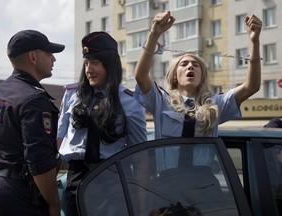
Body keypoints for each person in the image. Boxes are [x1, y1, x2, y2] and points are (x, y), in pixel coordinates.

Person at [134, 11, 262, 170]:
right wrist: (154, 34)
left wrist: (254, 42)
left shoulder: (216, 104)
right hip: (168, 184)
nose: (190, 66)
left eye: (195, 65)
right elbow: (140, 76)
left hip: (204, 184)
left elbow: (252, 86)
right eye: (184, 64)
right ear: (175, 76)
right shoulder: (161, 100)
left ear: (202, 77)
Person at [57, 31, 147, 216]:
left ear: (111, 65)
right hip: (76, 180)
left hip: (113, 181)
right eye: (86, 63)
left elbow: (140, 158)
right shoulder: (72, 95)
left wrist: (141, 203)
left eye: (95, 63)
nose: (89, 69)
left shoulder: (131, 102)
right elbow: (58, 142)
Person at [0, 30, 65, 216]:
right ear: (33, 57)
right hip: (21, 197)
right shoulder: (34, 100)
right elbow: (39, 161)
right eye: (49, 53)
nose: (54, 59)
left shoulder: (0, 92)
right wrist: (54, 203)